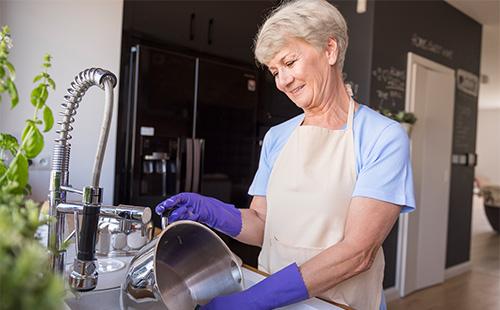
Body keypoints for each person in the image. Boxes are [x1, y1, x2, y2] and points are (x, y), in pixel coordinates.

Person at [155, 0, 415, 309]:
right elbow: (263, 224)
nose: (282, 82)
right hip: (275, 302)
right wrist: (212, 212)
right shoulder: (278, 136)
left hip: (339, 304)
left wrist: (253, 300)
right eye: (275, 71)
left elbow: (358, 253)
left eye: (290, 63)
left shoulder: (382, 137)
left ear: (330, 50)